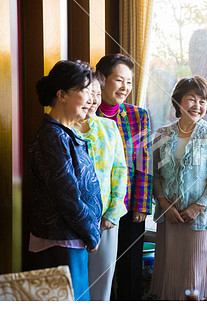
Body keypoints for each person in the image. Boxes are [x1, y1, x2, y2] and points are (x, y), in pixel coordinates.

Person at [29, 60, 102, 301]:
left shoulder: (66, 132)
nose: (91, 100)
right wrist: (91, 232)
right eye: (84, 91)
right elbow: (67, 195)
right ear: (61, 95)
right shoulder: (52, 135)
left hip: (73, 238)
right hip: (60, 242)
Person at [150, 76, 207, 300]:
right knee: (170, 272)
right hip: (170, 217)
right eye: (191, 99)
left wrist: (198, 207)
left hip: (198, 219)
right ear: (178, 101)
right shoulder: (162, 134)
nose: (197, 106)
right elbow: (154, 173)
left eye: (203, 101)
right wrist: (163, 203)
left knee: (193, 273)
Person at [95, 54, 152, 301]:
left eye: (129, 82)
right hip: (94, 208)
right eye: (119, 80)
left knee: (130, 270)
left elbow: (144, 162)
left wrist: (141, 205)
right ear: (101, 79)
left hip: (129, 206)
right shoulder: (86, 111)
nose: (125, 88)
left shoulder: (137, 115)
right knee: (98, 273)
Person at [73, 72, 128, 301]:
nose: (94, 99)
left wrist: (112, 214)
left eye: (97, 93)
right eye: (89, 93)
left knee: (101, 285)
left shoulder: (109, 127)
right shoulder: (66, 128)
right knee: (75, 286)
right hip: (73, 221)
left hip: (106, 220)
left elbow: (120, 170)